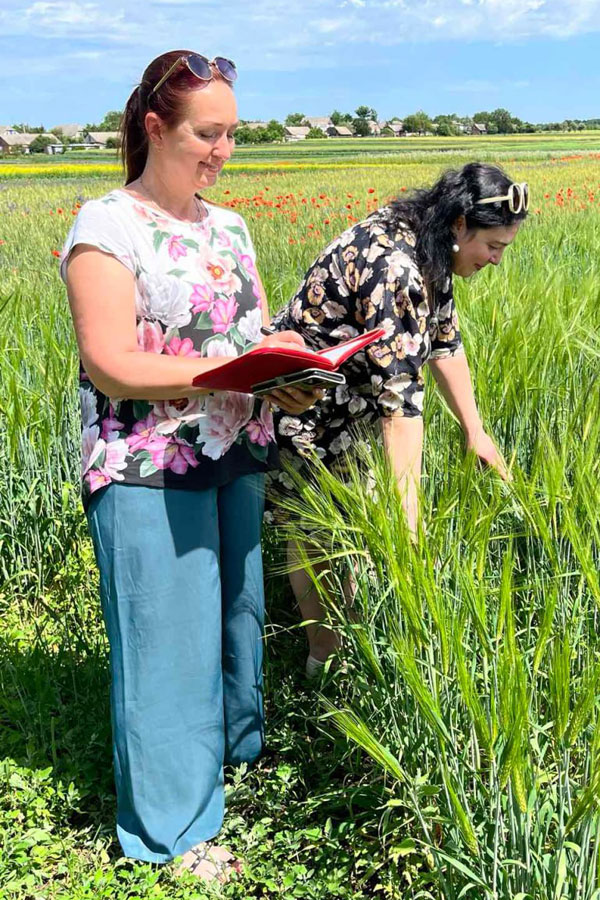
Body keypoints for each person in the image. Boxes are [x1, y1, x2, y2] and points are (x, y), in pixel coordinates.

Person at [61, 50, 320, 881]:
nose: (223, 151)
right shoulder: (107, 226)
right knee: (165, 647)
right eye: (208, 134)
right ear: (155, 128)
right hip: (148, 462)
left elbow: (242, 336)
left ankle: (229, 769)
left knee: (234, 621)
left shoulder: (230, 227)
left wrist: (284, 369)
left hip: (233, 449)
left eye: (232, 134)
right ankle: (171, 833)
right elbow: (111, 364)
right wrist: (228, 374)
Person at [268, 163, 528, 676]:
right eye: (493, 246)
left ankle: (353, 657)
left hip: (352, 411)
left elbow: (445, 343)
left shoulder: (430, 245)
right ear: (460, 224)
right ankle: (323, 666)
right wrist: (409, 524)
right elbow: (401, 406)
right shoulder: (396, 267)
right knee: (319, 541)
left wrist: (475, 431)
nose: (497, 260)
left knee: (354, 543)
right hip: (304, 410)